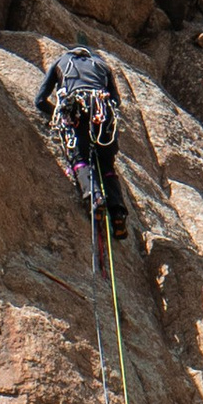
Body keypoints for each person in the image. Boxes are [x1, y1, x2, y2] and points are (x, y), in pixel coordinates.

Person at [37, 42, 128, 258]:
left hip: (76, 109)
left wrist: (58, 115)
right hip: (102, 111)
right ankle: (117, 212)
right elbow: (115, 100)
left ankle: (94, 197)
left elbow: (39, 100)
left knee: (80, 158)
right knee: (106, 164)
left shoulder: (60, 62)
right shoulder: (102, 65)